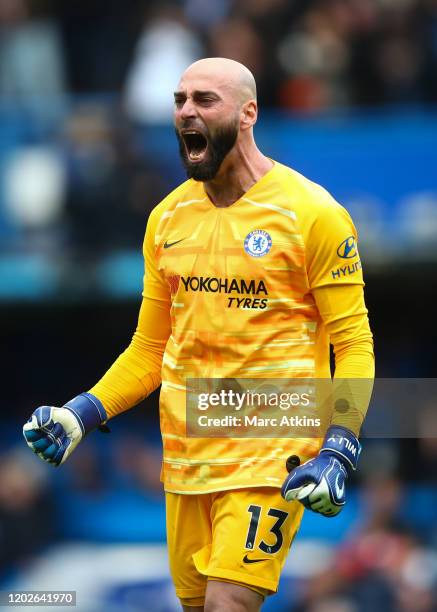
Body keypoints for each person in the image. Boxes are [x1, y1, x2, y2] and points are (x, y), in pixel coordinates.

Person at [23, 58, 374, 612]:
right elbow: (149, 349)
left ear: (247, 113)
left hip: (274, 448)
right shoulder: (165, 220)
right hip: (187, 456)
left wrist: (339, 447)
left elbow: (353, 343)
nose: (187, 111)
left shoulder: (313, 214)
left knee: (226, 604)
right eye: (180, 99)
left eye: (205, 100)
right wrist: (81, 414)